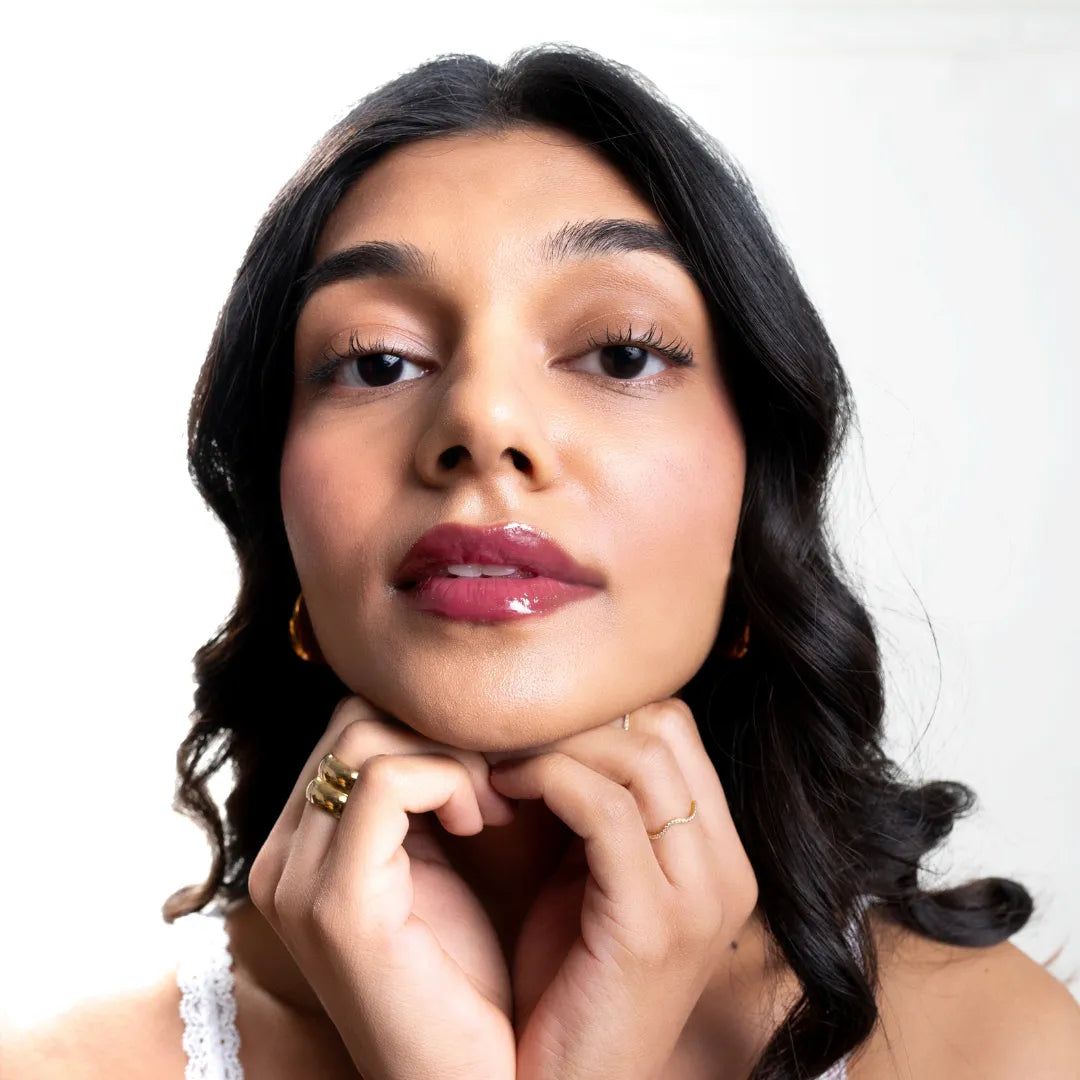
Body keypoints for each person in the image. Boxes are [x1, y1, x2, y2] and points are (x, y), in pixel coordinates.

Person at [8, 43, 1080, 1080]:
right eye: (377, 362)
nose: (483, 422)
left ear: (756, 501)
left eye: (621, 352)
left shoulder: (998, 1054)